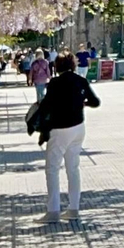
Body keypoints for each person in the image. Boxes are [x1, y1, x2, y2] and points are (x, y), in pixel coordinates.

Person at [35, 53, 100, 222]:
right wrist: (81, 102)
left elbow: (46, 106)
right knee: (73, 168)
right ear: (72, 64)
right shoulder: (80, 80)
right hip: (78, 128)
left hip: (60, 128)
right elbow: (95, 101)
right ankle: (74, 208)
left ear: (57, 66)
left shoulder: (55, 83)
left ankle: (53, 210)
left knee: (52, 169)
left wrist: (40, 126)